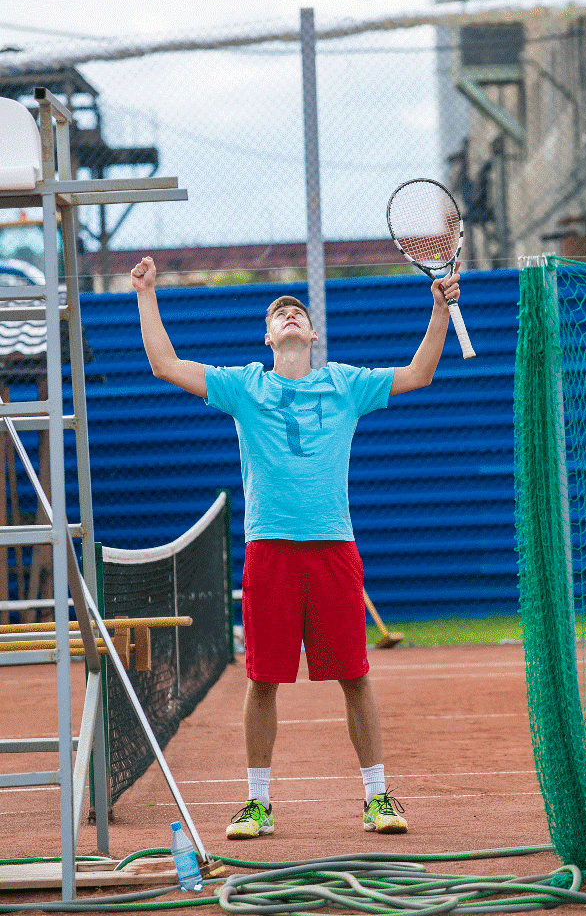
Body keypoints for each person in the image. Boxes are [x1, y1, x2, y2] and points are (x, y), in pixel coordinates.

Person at [131, 255, 461, 839]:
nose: (289, 314)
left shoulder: (345, 384)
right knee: (263, 680)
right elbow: (164, 364)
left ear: (312, 334)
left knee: (355, 676)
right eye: (279, 312)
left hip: (333, 549)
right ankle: (257, 803)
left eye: (298, 312)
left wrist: (439, 311)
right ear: (268, 336)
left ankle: (378, 797)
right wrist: (145, 292)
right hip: (269, 551)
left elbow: (419, 374)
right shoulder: (244, 386)